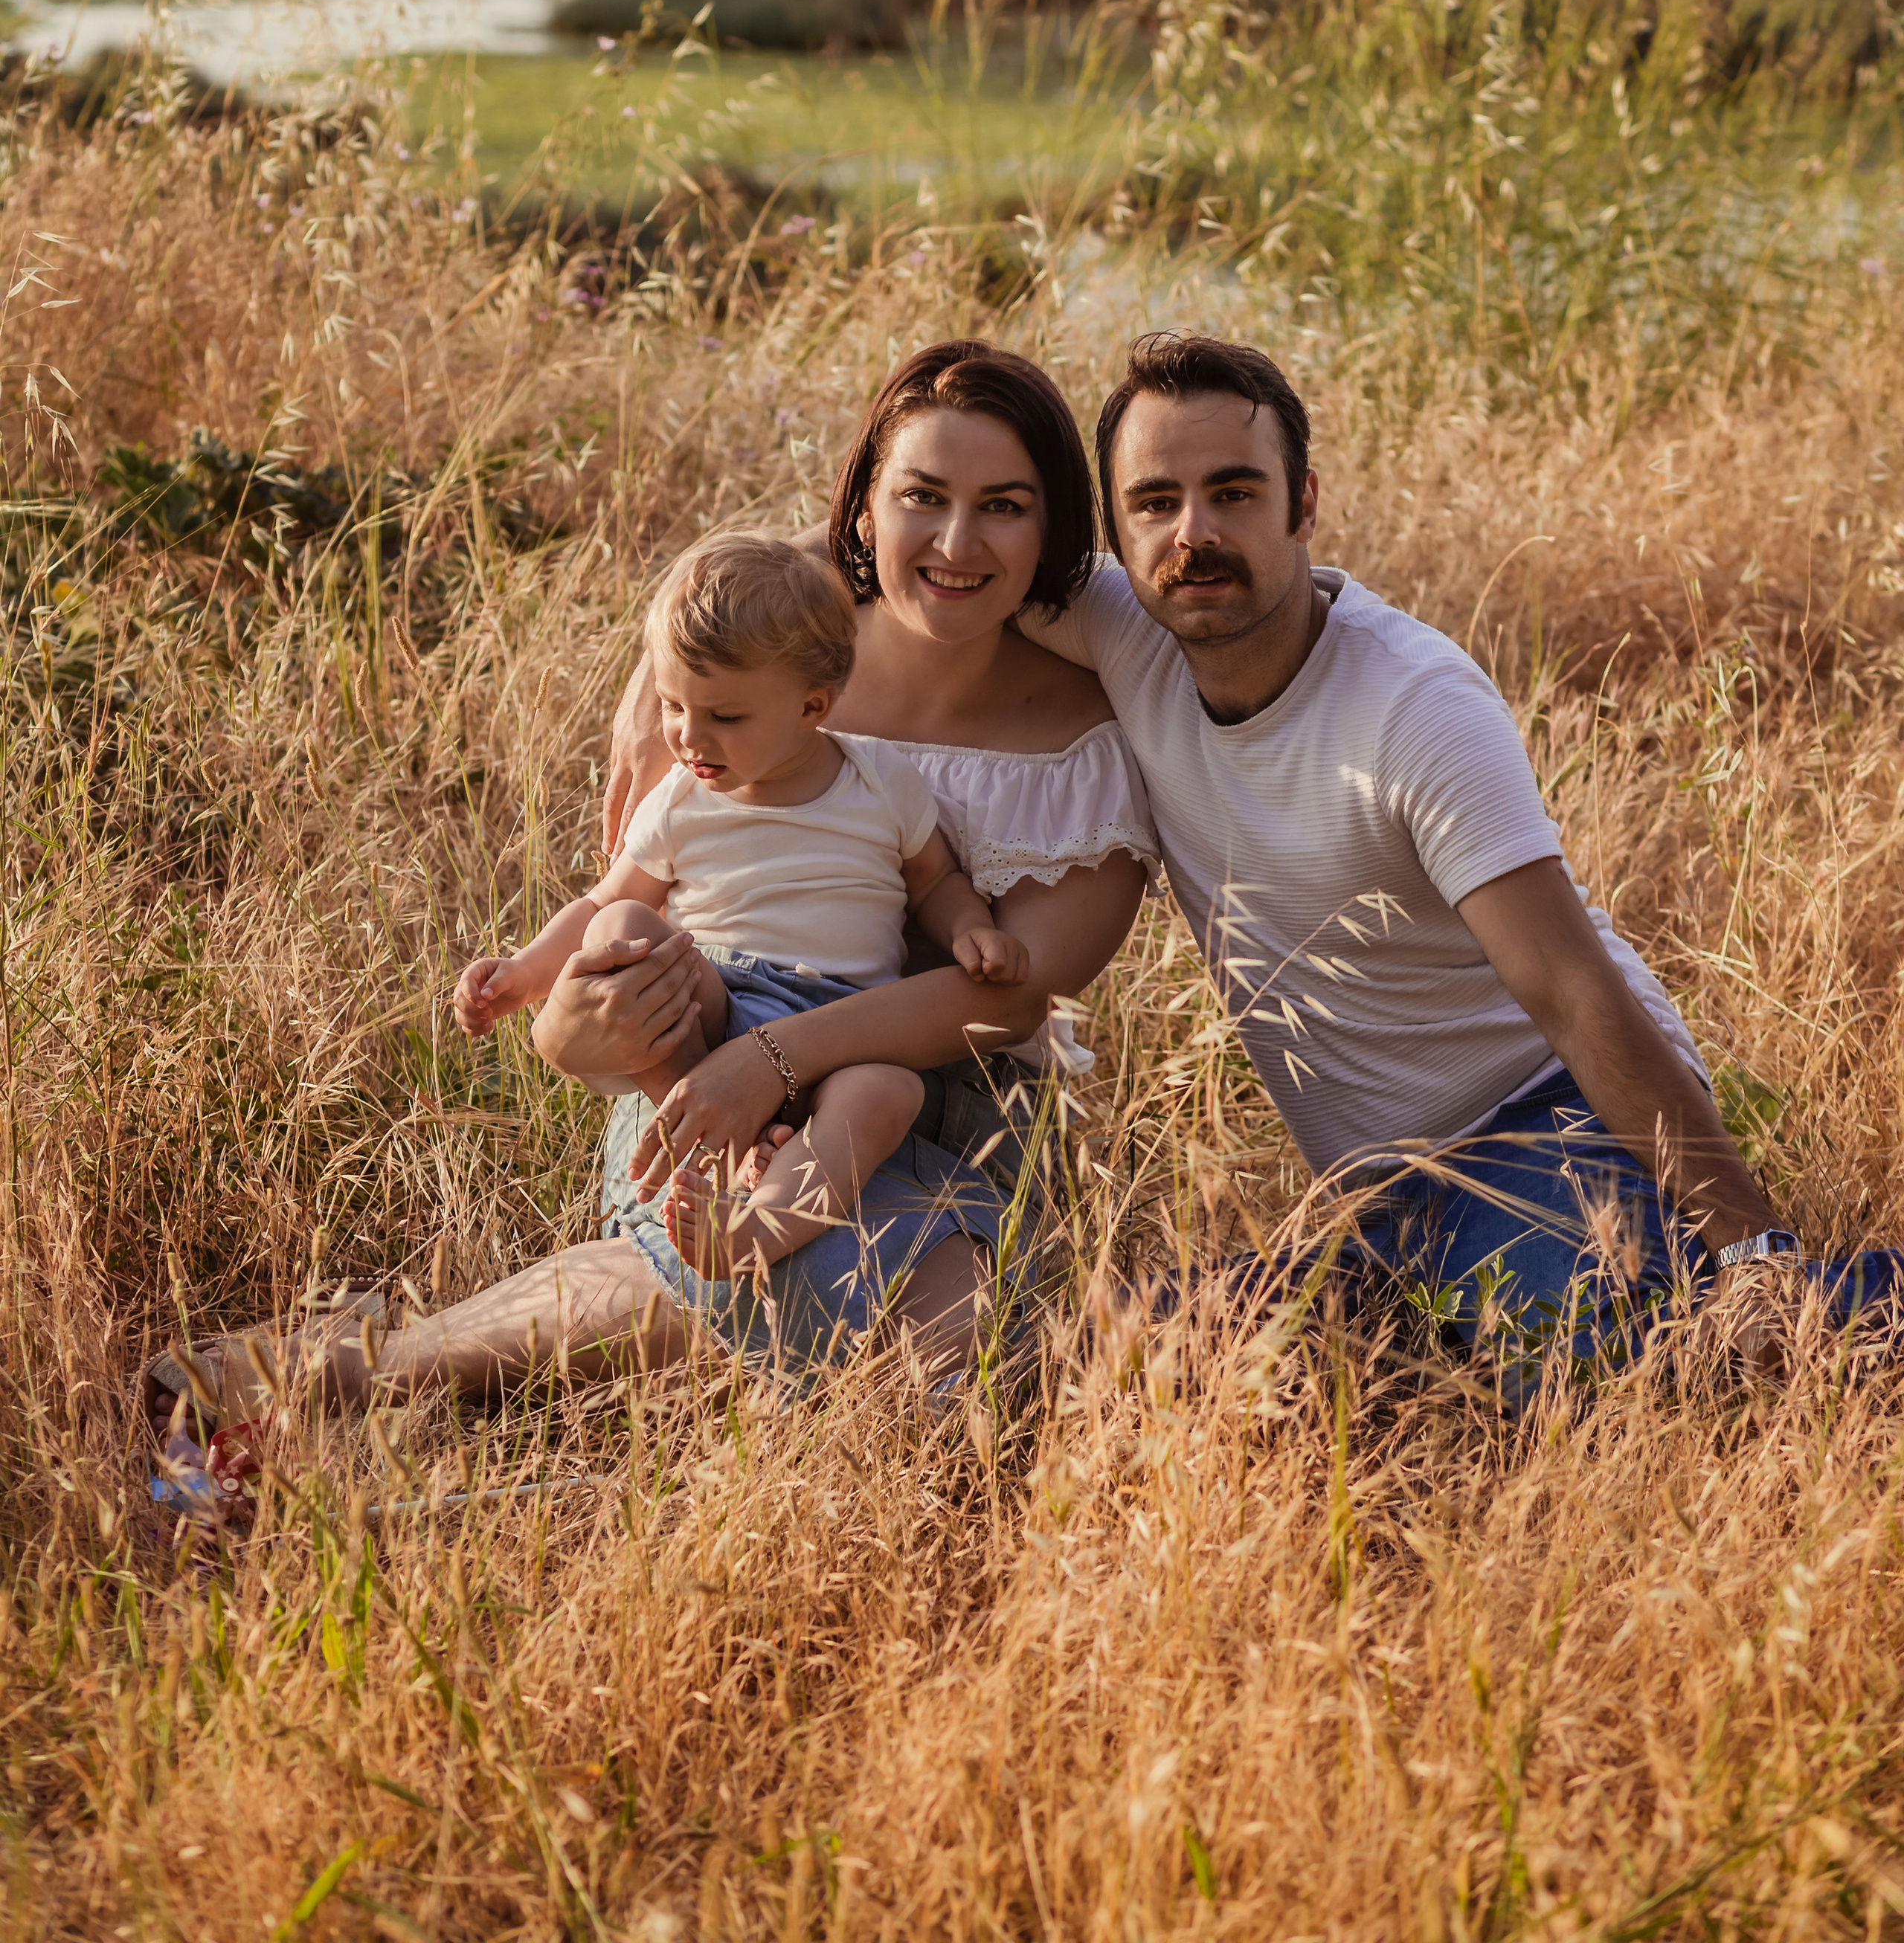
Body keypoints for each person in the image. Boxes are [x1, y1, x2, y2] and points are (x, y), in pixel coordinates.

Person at [146, 345, 1154, 1428]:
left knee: (961, 1372)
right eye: (922, 497)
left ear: (1052, 529)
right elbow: (630, 915)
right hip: (699, 1067)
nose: (958, 543)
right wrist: (566, 1022)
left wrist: (768, 1067)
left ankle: (388, 1362)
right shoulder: (741, 675)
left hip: (932, 1111)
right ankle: (409, 1357)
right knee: (883, 1318)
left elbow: (1003, 999)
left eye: (1004, 506)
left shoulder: (1077, 740)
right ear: (865, 510)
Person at [1029, 329, 1899, 1394]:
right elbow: (919, 553)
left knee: (1582, 1375)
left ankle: (1820, 1312)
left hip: (1549, 1121)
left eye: (1235, 492)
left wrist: (1755, 1256)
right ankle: (1450, 1327)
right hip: (1385, 1202)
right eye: (1155, 502)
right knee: (1123, 1363)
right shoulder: (1129, 626)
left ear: (1304, 506)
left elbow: (1576, 993)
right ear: (1114, 533)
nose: (1193, 533)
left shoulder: (1414, 706)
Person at [456, 531, 1030, 1282]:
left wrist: (971, 930)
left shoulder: (880, 780)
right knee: (623, 928)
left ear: (810, 706)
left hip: (839, 1027)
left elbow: (933, 883)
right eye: (672, 706)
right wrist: (524, 975)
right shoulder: (680, 799)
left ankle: (752, 1233)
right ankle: (711, 1138)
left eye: (725, 717)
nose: (689, 737)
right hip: (712, 999)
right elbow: (605, 899)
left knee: (886, 1093)